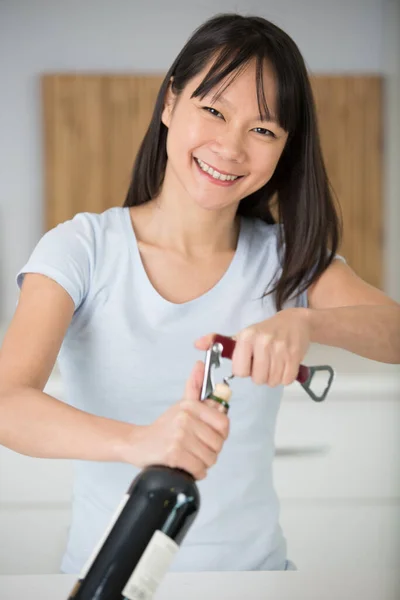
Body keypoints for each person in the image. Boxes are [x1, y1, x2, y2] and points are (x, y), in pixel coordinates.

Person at [0, 13, 399, 575]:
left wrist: (308, 324)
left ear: (285, 148)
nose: (231, 147)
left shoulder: (286, 260)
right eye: (213, 110)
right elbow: (6, 402)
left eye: (263, 130)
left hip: (257, 580)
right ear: (169, 104)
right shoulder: (81, 248)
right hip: (107, 577)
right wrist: (141, 443)